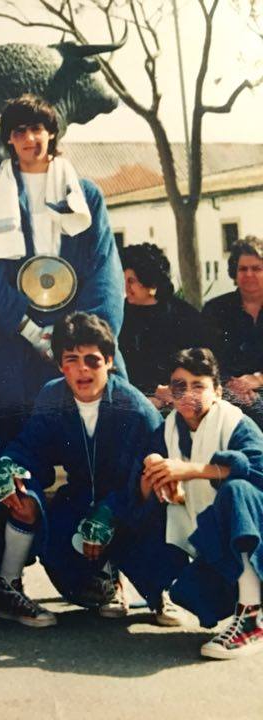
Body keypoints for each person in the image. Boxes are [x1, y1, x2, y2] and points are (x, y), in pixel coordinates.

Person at [0, 312, 161, 626]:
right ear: (59, 365)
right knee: (25, 498)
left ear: (110, 362)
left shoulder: (136, 408)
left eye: (93, 360)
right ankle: (8, 586)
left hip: (124, 501)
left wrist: (112, 510)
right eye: (71, 359)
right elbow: (30, 447)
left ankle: (156, 589)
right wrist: (9, 465)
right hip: (79, 497)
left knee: (154, 504)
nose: (82, 368)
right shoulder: (51, 395)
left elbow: (150, 472)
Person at [0, 94, 124, 441]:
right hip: (18, 331)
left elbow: (103, 268)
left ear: (52, 132)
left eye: (37, 129)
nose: (29, 139)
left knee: (113, 421)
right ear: (8, 138)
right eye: (19, 131)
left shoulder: (85, 195)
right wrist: (29, 329)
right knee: (12, 428)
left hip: (81, 331)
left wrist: (81, 335)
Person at [131, 348, 263, 659]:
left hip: (257, 531)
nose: (188, 394)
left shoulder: (235, 423)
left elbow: (258, 469)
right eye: (179, 386)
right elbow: (140, 491)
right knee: (189, 594)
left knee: (237, 491)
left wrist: (190, 471)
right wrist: (153, 473)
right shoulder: (168, 429)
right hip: (215, 540)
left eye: (198, 385)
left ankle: (252, 617)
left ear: (218, 392)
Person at [119, 242, 210, 408]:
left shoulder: (184, 315)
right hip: (135, 398)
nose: (126, 287)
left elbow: (199, 362)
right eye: (123, 280)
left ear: (150, 282)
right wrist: (152, 391)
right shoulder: (120, 315)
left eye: (131, 281)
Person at [202, 236, 263, 426]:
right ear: (234, 273)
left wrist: (258, 379)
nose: (249, 274)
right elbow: (207, 357)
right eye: (243, 269)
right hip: (229, 391)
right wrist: (232, 384)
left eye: (257, 268)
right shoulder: (216, 309)